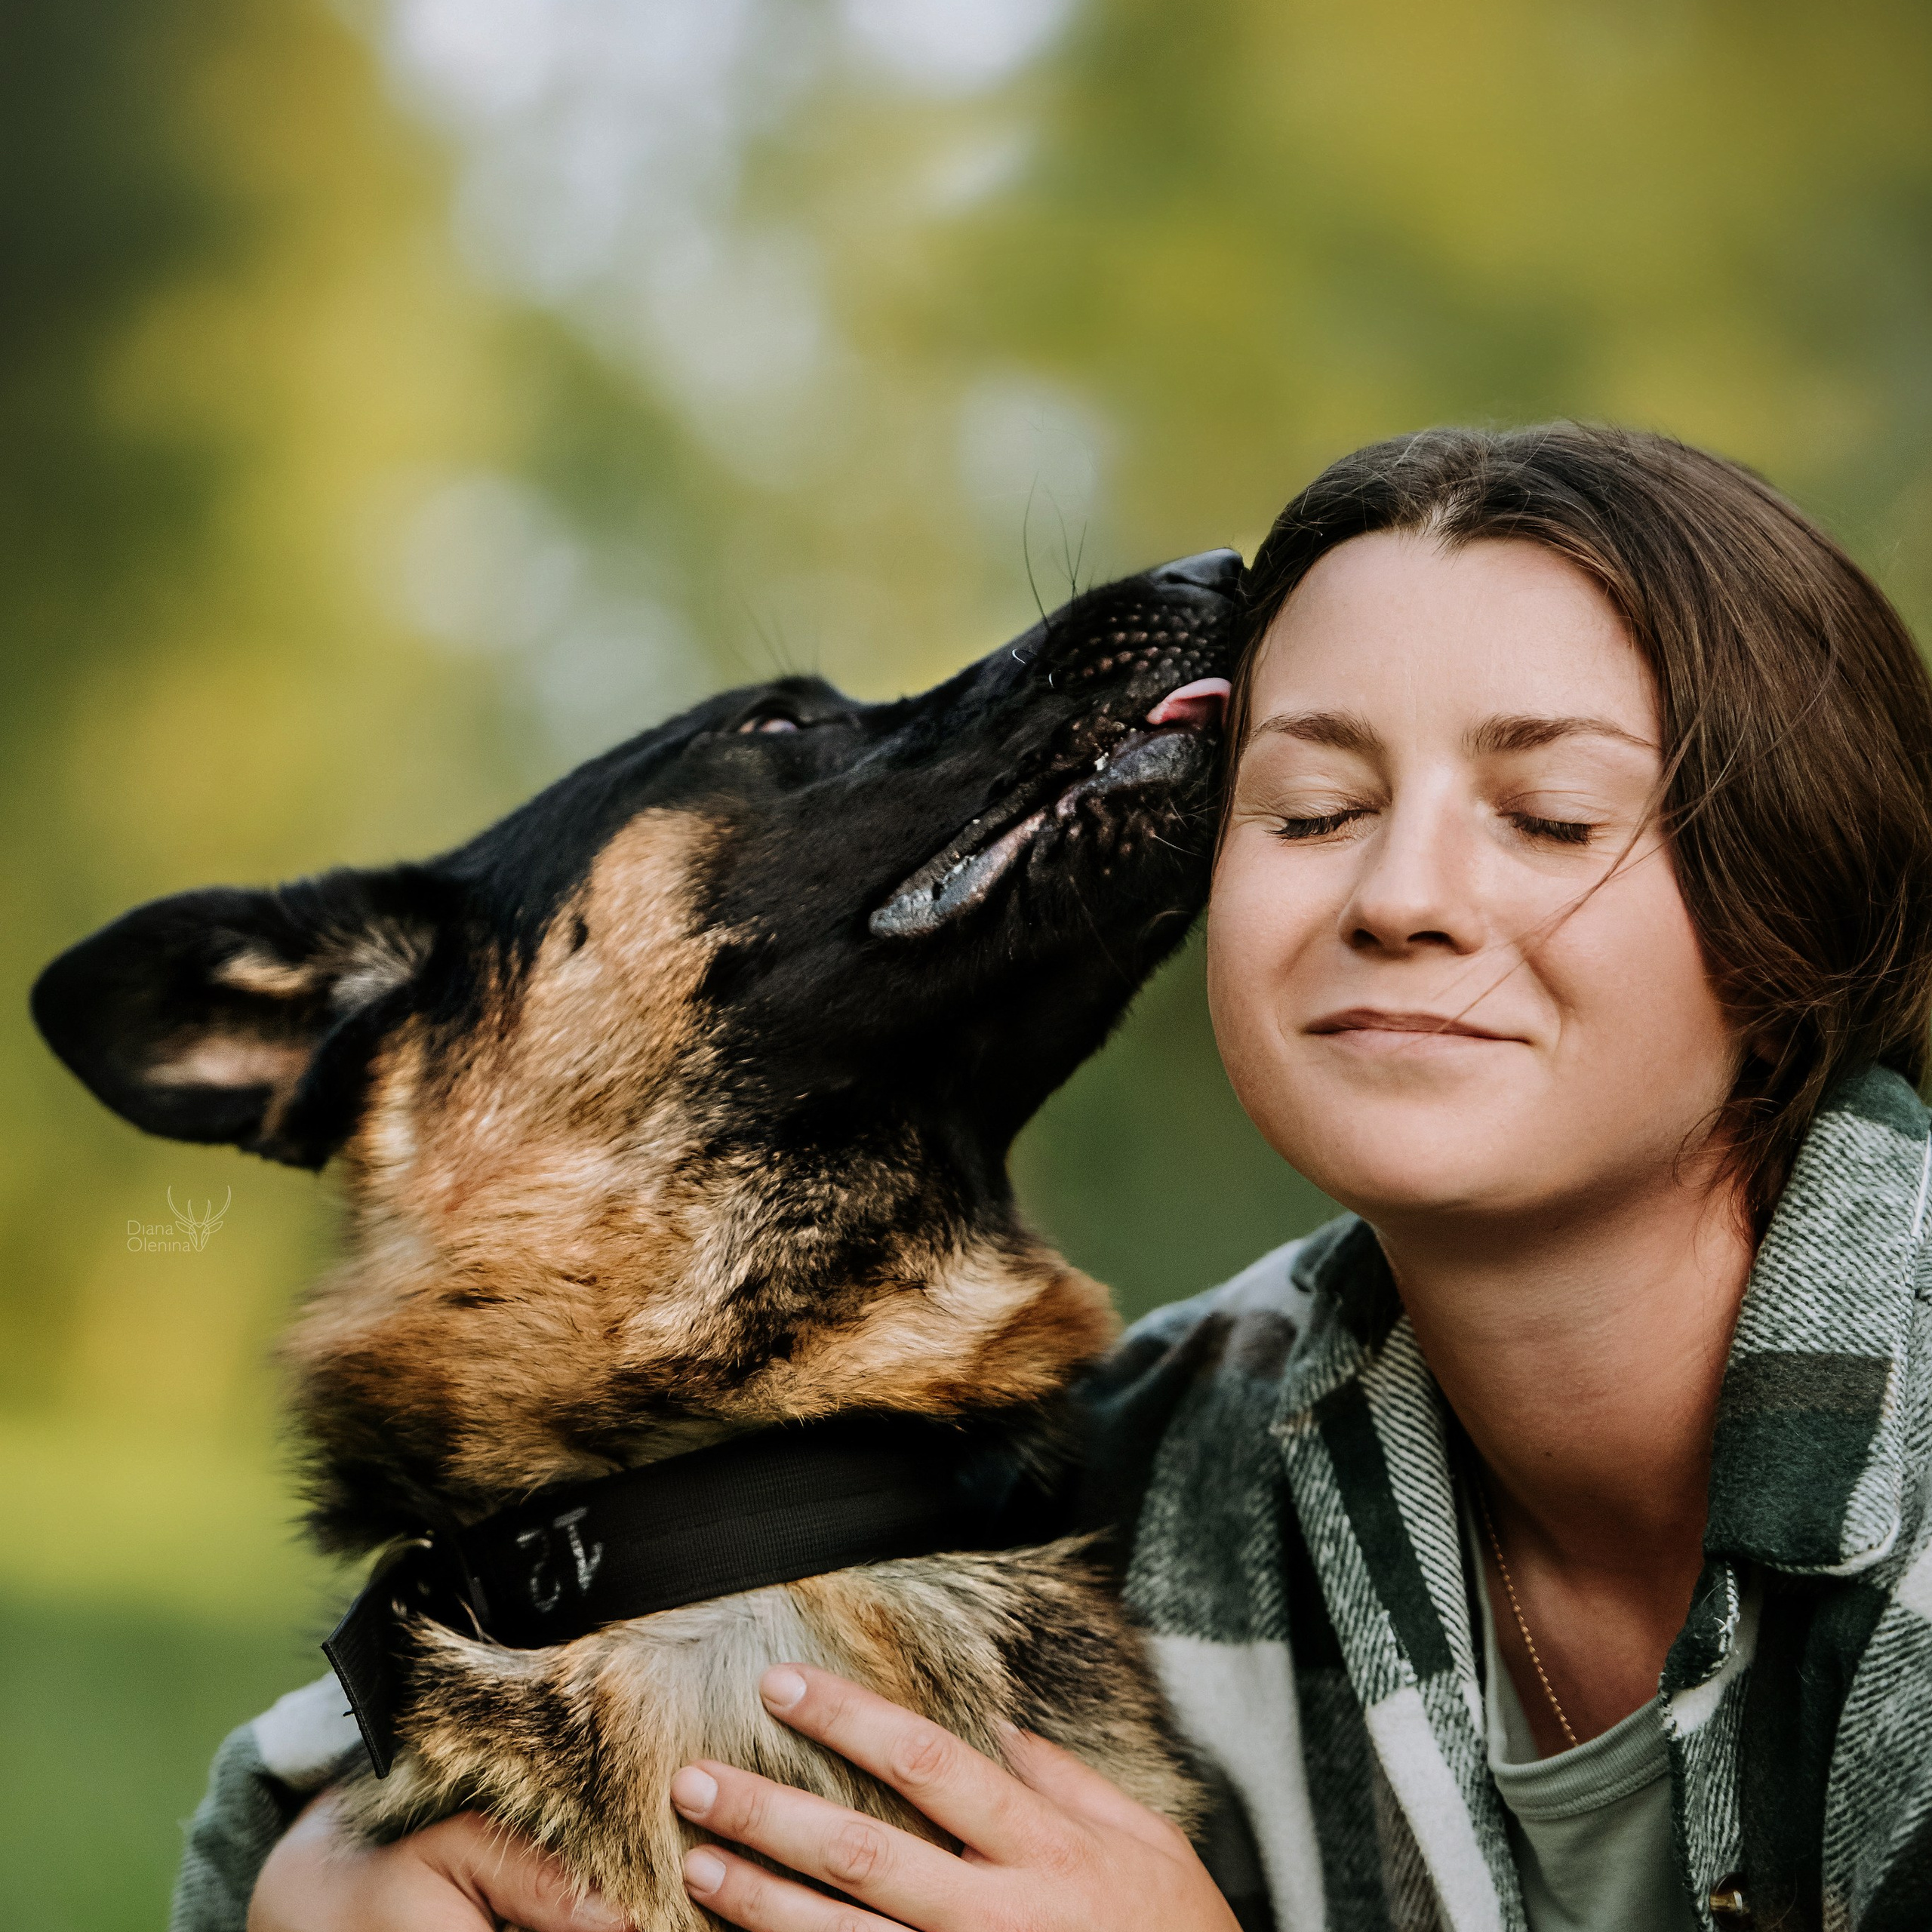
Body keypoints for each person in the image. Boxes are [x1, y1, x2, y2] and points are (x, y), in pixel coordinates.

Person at [205, 425, 1932, 1931]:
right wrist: (310, 1884)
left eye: (1548, 816)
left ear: (1797, 911)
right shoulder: (1148, 1455)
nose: (1399, 893)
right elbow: (400, 1710)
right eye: (1308, 807)